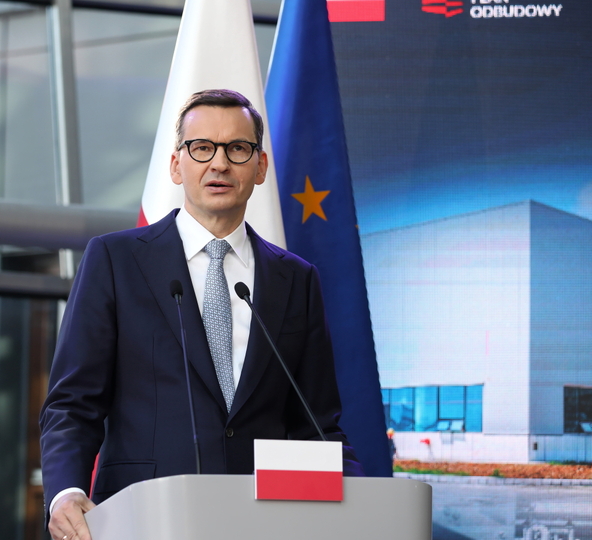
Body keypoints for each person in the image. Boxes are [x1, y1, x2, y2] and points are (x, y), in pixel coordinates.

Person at [39, 89, 363, 540]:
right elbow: (73, 403)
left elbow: (317, 425)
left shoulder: (296, 279)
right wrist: (66, 491)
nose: (220, 163)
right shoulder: (115, 260)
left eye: (237, 148)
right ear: (177, 164)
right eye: (202, 148)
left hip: (265, 523)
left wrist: (363, 500)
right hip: (143, 518)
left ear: (260, 166)